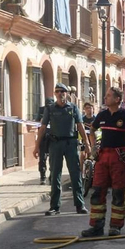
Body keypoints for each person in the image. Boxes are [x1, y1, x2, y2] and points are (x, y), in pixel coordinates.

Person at [82, 87, 125, 238]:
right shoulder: (102, 115)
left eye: (108, 96)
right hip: (103, 157)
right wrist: (93, 148)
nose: (105, 98)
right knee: (97, 192)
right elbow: (92, 130)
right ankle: (96, 227)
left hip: (119, 157)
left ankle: (115, 227)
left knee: (118, 193)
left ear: (117, 99)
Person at [42, 84, 85, 216]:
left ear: (67, 94)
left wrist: (87, 144)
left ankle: (80, 205)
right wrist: (38, 146)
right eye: (57, 92)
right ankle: (55, 206)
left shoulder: (73, 108)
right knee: (55, 175)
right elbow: (43, 127)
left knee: (75, 174)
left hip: (71, 143)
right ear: (55, 94)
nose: (60, 94)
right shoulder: (50, 108)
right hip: (55, 144)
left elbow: (80, 126)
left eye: (63, 91)